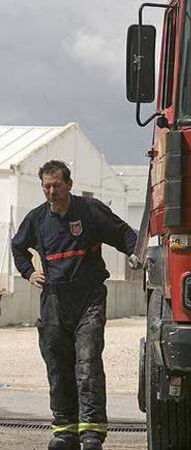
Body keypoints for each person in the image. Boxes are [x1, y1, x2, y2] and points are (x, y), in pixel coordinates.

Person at [12, 160, 139, 450]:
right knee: (58, 366)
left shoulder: (90, 211)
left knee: (88, 363)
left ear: (69, 184)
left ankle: (92, 434)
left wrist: (134, 253)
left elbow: (123, 233)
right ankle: (64, 432)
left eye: (57, 185)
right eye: (47, 186)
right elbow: (18, 247)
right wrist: (29, 272)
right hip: (54, 301)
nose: (52, 191)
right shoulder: (37, 218)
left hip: (89, 298)